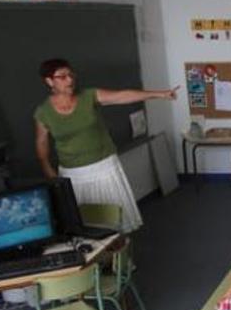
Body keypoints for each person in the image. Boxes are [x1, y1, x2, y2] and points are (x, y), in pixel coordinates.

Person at [33, 58, 178, 233]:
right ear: (49, 81)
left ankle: (122, 258)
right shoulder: (43, 112)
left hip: (104, 168)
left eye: (71, 75)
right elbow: (42, 145)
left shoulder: (89, 96)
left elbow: (122, 96)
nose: (70, 80)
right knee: (83, 225)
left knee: (115, 223)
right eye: (62, 77)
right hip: (73, 175)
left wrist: (160, 94)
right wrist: (52, 175)